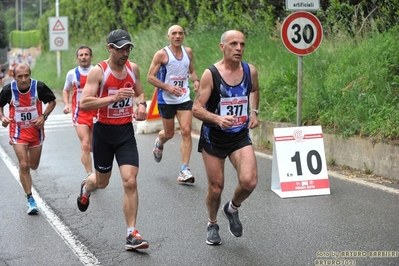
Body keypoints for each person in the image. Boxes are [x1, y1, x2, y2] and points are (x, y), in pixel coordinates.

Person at [78, 29, 149, 250]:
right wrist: (113, 98)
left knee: (130, 180)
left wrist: (141, 106)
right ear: (110, 48)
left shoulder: (133, 68)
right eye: (120, 48)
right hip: (104, 133)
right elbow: (85, 103)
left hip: (125, 132)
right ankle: (86, 187)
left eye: (128, 48)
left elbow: (140, 93)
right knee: (102, 182)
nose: (125, 52)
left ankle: (131, 233)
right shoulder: (99, 72)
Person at [192, 30, 260, 245]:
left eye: (242, 44)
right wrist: (218, 119)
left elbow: (255, 90)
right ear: (222, 47)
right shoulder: (211, 74)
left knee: (249, 181)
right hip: (214, 137)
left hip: (239, 135)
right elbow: (196, 109)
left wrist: (253, 112)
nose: (239, 48)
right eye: (233, 44)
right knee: (216, 188)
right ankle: (212, 223)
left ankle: (231, 208)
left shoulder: (250, 71)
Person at [0, 63, 56, 214]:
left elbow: (52, 101)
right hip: (17, 131)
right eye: (20, 76)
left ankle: (26, 174)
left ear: (30, 74)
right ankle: (30, 199)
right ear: (14, 77)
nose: (24, 79)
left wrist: (44, 116)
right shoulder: (8, 90)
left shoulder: (39, 87)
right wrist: (3, 117)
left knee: (33, 165)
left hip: (35, 132)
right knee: (24, 164)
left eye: (26, 75)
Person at [147, 25, 200, 184]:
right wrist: (168, 87)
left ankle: (184, 169)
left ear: (183, 36)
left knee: (185, 130)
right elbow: (150, 77)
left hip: (183, 98)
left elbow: (191, 72)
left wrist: (196, 80)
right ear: (168, 36)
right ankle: (159, 143)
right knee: (169, 134)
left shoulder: (188, 52)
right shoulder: (161, 55)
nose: (177, 36)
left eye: (180, 33)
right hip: (166, 99)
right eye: (174, 34)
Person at [63, 46, 95, 176]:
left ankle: (86, 158)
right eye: (81, 55)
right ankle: (90, 175)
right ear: (77, 58)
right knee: (85, 145)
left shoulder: (97, 71)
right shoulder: (72, 73)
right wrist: (66, 104)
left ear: (91, 57)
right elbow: (66, 90)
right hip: (80, 113)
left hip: (96, 112)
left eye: (86, 54)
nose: (83, 57)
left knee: (94, 147)